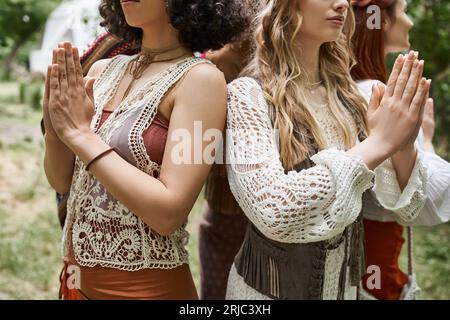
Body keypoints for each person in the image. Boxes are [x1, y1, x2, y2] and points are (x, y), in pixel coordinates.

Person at [224, 0, 430, 300]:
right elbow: (272, 210)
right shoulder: (248, 95)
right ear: (287, 6)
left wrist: (402, 142)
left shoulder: (347, 96)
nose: (342, 4)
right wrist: (378, 144)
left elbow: (407, 208)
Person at [43, 0, 248, 300]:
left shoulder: (204, 81)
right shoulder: (103, 71)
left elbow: (170, 214)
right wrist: (56, 126)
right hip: (75, 285)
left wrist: (81, 136)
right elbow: (61, 181)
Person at [351, 0, 450, 300]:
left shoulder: (354, 86)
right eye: (404, 10)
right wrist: (428, 143)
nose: (409, 21)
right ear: (381, 20)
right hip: (377, 273)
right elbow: (430, 202)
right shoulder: (374, 93)